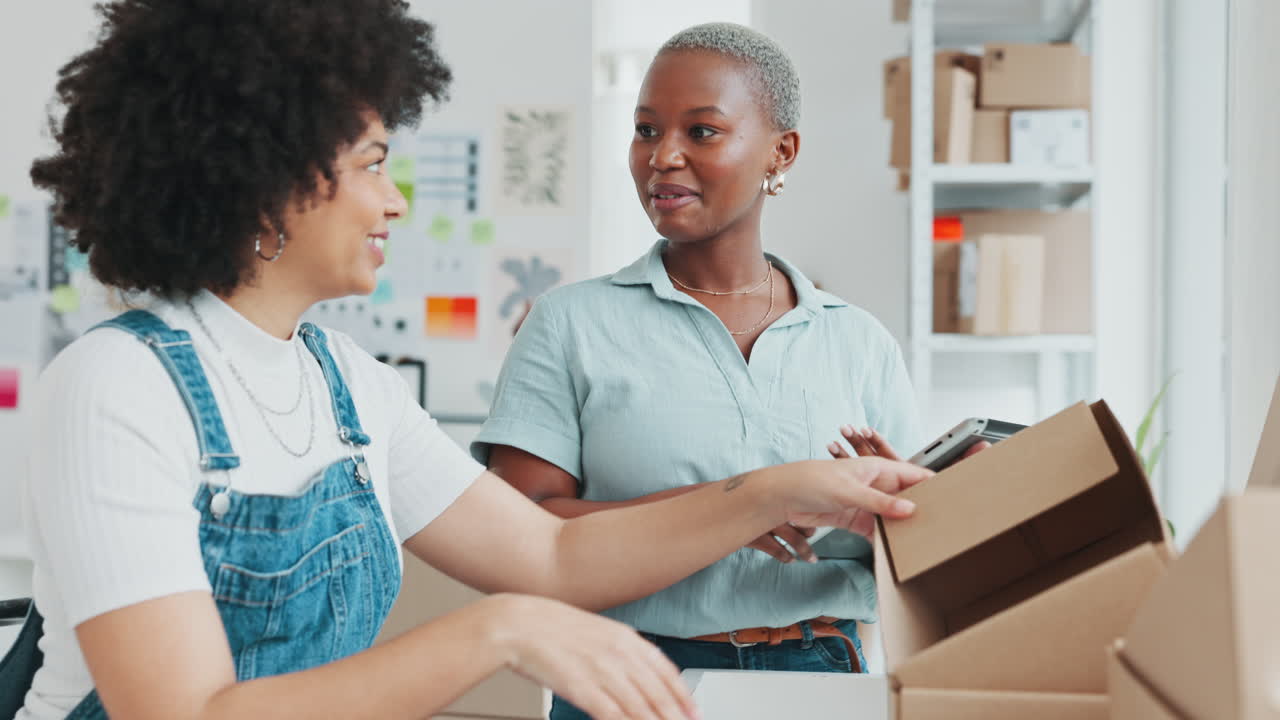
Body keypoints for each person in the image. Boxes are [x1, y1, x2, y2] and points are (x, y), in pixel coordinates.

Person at [0, 4, 931, 720]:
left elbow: (551, 553)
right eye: (372, 165)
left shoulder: (345, 386)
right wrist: (500, 629)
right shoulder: (117, 386)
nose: (395, 201)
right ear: (267, 182)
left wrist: (788, 489)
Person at [474, 23, 925, 719]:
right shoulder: (568, 323)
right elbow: (522, 534)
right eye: (646, 130)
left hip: (823, 672)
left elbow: (908, 563)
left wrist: (903, 513)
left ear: (782, 151)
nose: (663, 157)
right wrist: (738, 505)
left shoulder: (858, 342)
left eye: (702, 132)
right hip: (627, 675)